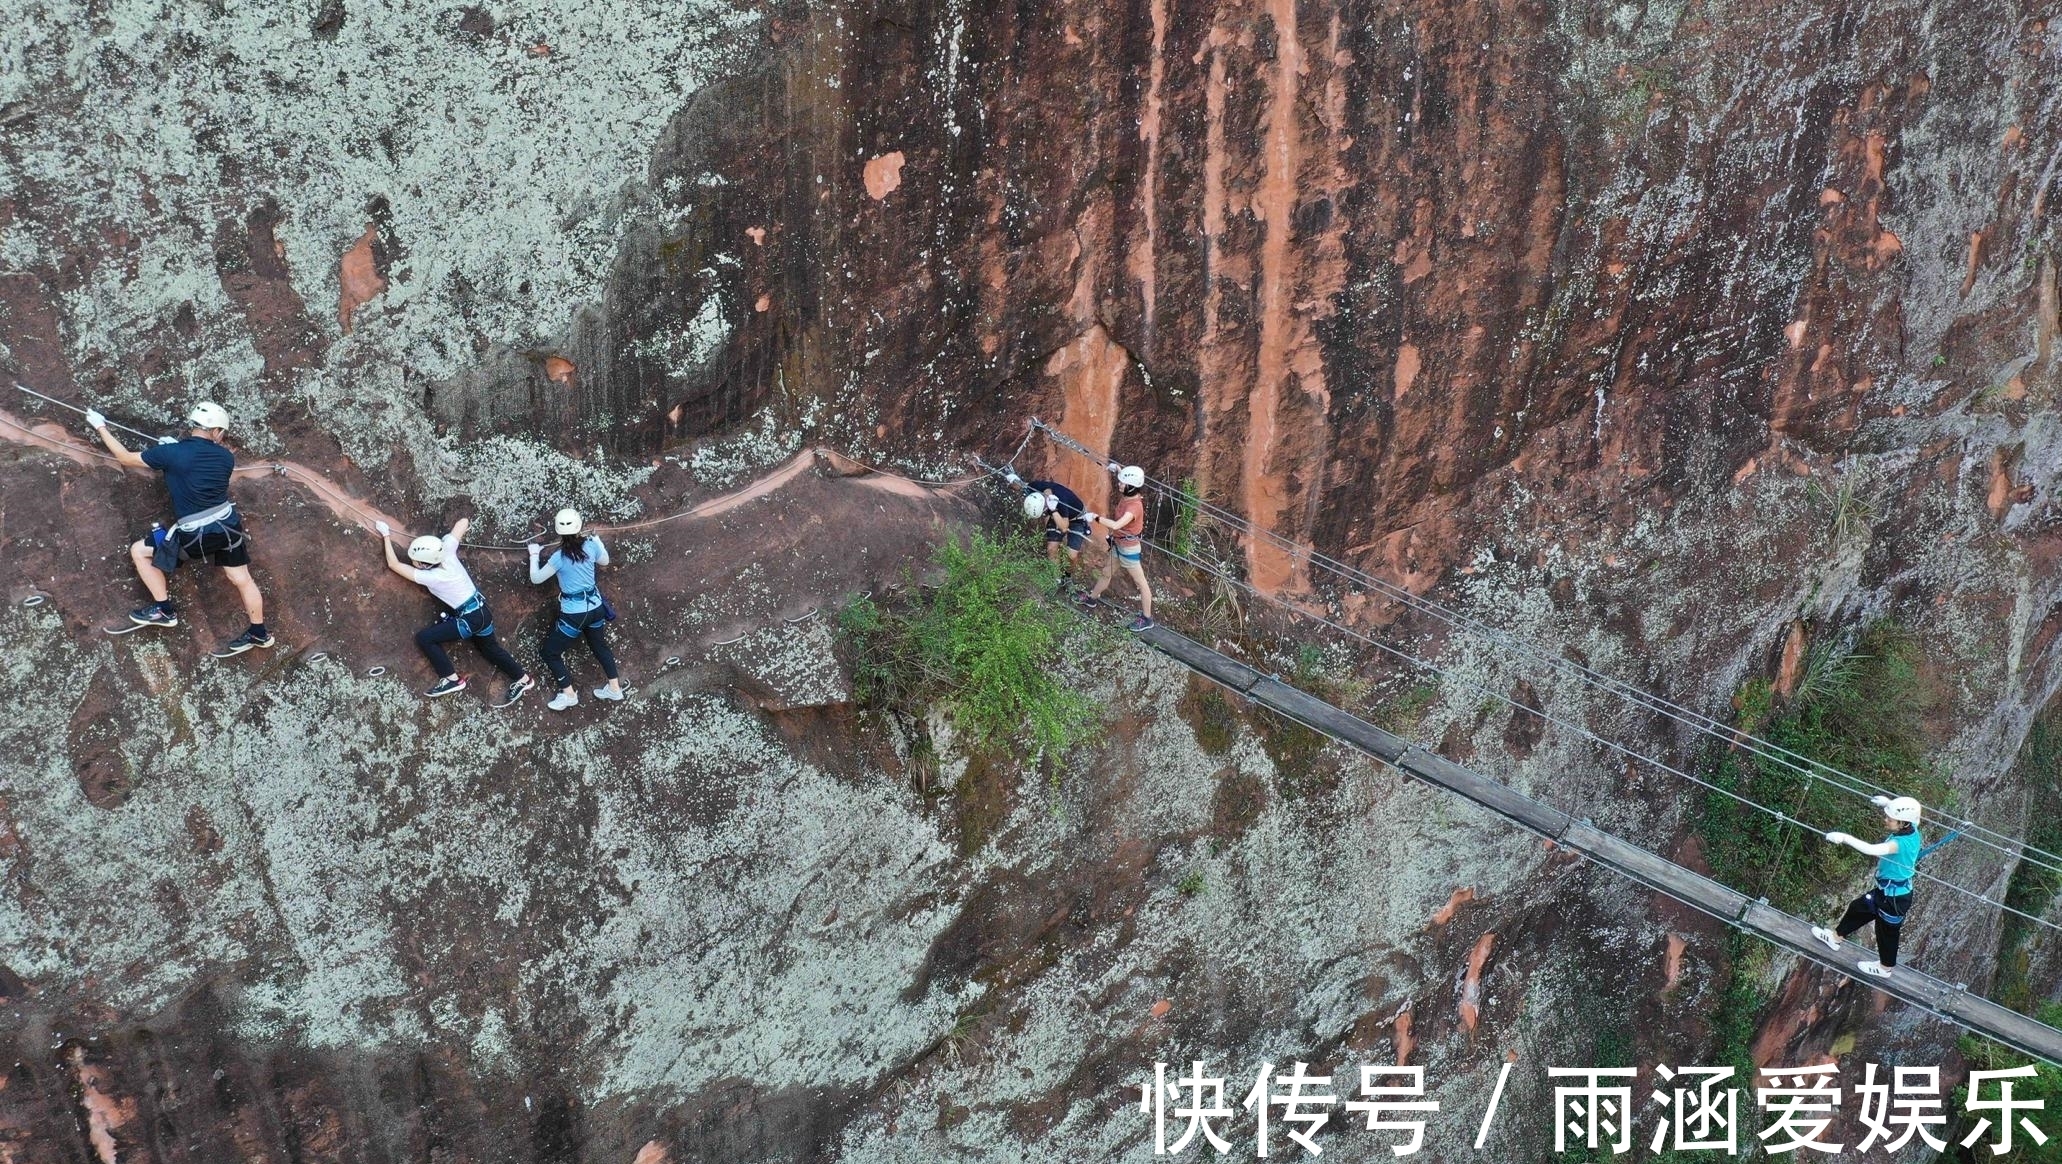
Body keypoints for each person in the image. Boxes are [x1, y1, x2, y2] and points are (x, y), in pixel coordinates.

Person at [86, 400, 272, 655]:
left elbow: (125, 458)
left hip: (196, 536)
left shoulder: (172, 455)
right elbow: (198, 469)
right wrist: (172, 452)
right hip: (228, 528)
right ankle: (259, 633)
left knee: (140, 551)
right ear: (216, 431)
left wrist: (100, 426)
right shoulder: (226, 458)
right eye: (222, 433)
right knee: (242, 578)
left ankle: (163, 609)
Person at [376, 517, 534, 704]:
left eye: (416, 561)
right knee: (489, 648)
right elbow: (464, 522)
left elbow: (394, 565)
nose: (413, 562)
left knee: (425, 638)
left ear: (425, 564)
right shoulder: (448, 551)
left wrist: (386, 535)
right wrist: (442, 544)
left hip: (470, 620)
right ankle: (524, 679)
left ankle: (451, 679)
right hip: (482, 611)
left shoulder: (433, 577)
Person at [1811, 795, 1924, 979]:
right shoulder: (1912, 830)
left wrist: (1844, 838)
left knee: (1886, 932)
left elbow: (1871, 849)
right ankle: (1835, 938)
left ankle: (1885, 968)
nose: (1885, 820)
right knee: (1859, 907)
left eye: (1890, 819)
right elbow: (1912, 815)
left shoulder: (1899, 844)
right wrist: (1889, 804)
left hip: (1894, 898)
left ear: (1903, 823)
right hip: (1888, 892)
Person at [528, 508, 623, 711]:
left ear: (558, 530)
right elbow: (604, 561)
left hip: (575, 614)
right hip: (596, 607)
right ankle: (614, 688)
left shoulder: (559, 557)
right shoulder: (590, 546)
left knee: (549, 653)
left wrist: (534, 555)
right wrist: (597, 541)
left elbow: (536, 579)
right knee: (599, 647)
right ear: (579, 526)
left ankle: (568, 694)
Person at [1077, 462, 1155, 632]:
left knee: (1141, 584)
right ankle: (1092, 598)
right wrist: (1118, 470)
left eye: (1122, 483)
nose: (1119, 484)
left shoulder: (1134, 507)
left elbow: (1117, 524)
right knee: (1106, 572)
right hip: (1118, 546)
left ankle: (1147, 618)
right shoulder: (1129, 495)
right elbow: (1127, 480)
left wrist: (1095, 518)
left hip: (1129, 550)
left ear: (1131, 487)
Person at [1001, 467, 1093, 590]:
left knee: (1072, 556)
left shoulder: (1059, 501)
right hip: (1055, 513)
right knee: (1051, 549)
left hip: (1076, 519)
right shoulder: (1035, 488)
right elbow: (1021, 486)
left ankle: (1067, 578)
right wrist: (1012, 480)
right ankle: (1056, 580)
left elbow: (1064, 527)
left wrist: (1053, 509)